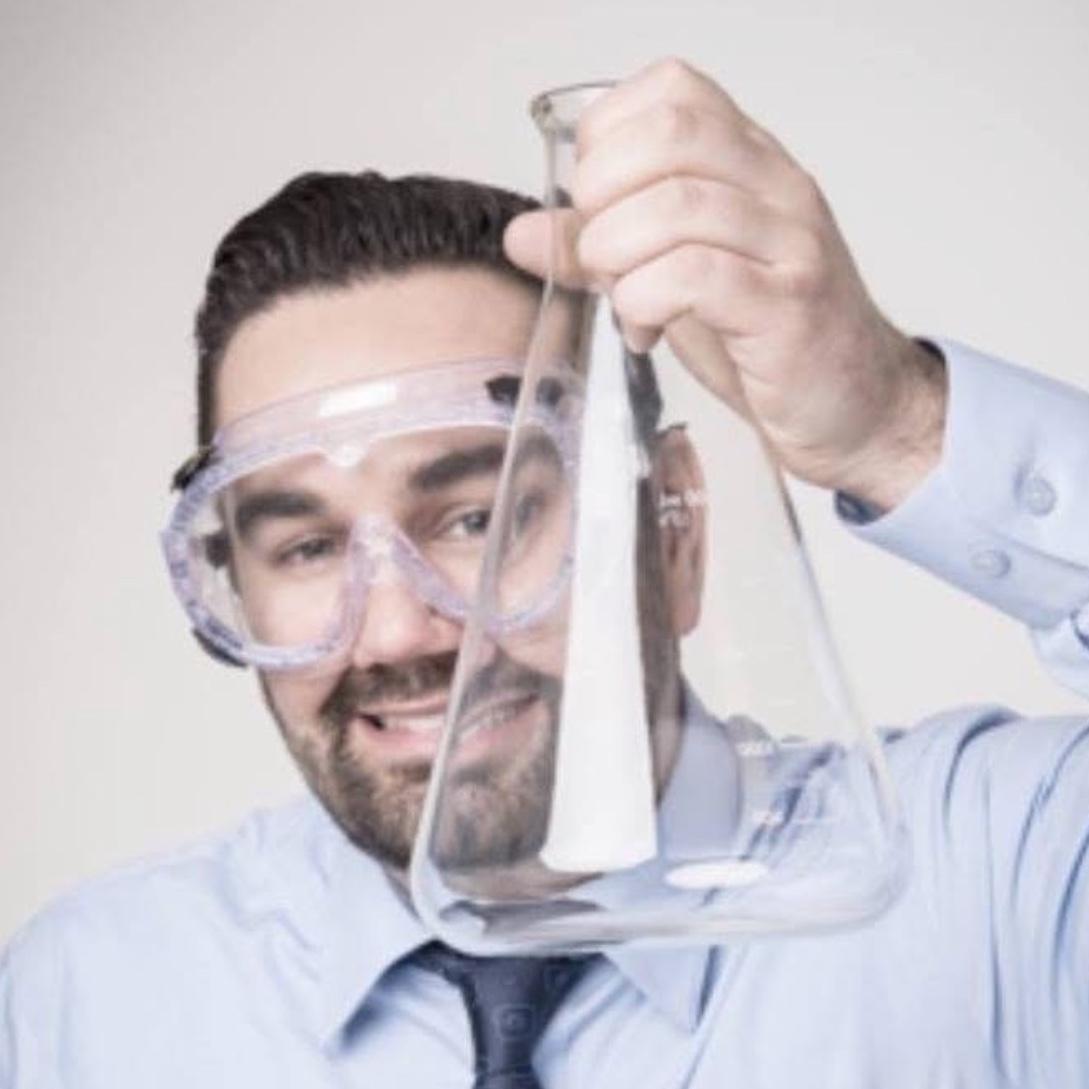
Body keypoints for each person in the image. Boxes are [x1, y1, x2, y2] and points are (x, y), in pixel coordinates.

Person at [2, 58, 1087, 1087]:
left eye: (479, 518)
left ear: (672, 530)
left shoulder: (1003, 875)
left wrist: (899, 427)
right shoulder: (90, 999)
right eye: (308, 547)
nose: (396, 631)